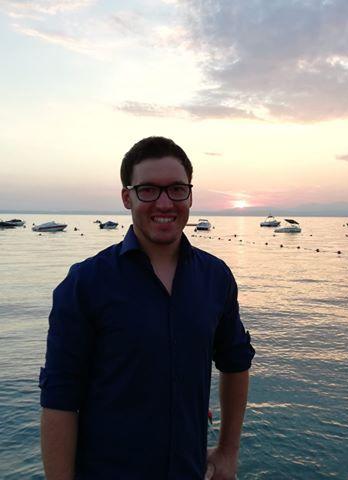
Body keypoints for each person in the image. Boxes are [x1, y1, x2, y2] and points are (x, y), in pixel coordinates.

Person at [39, 136, 255, 479]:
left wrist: (228, 452)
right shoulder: (85, 284)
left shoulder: (216, 277)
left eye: (177, 189)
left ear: (190, 195)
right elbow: (59, 399)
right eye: (149, 190)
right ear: (128, 197)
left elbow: (236, 362)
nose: (165, 203)